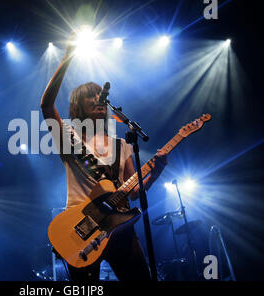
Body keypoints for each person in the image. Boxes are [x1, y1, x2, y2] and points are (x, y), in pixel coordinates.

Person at [40, 31, 168, 280]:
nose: (98, 99)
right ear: (78, 105)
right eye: (91, 95)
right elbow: (46, 105)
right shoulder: (69, 138)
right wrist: (68, 56)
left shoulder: (122, 144)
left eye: (101, 95)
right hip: (81, 227)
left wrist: (158, 170)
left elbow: (133, 192)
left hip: (119, 228)